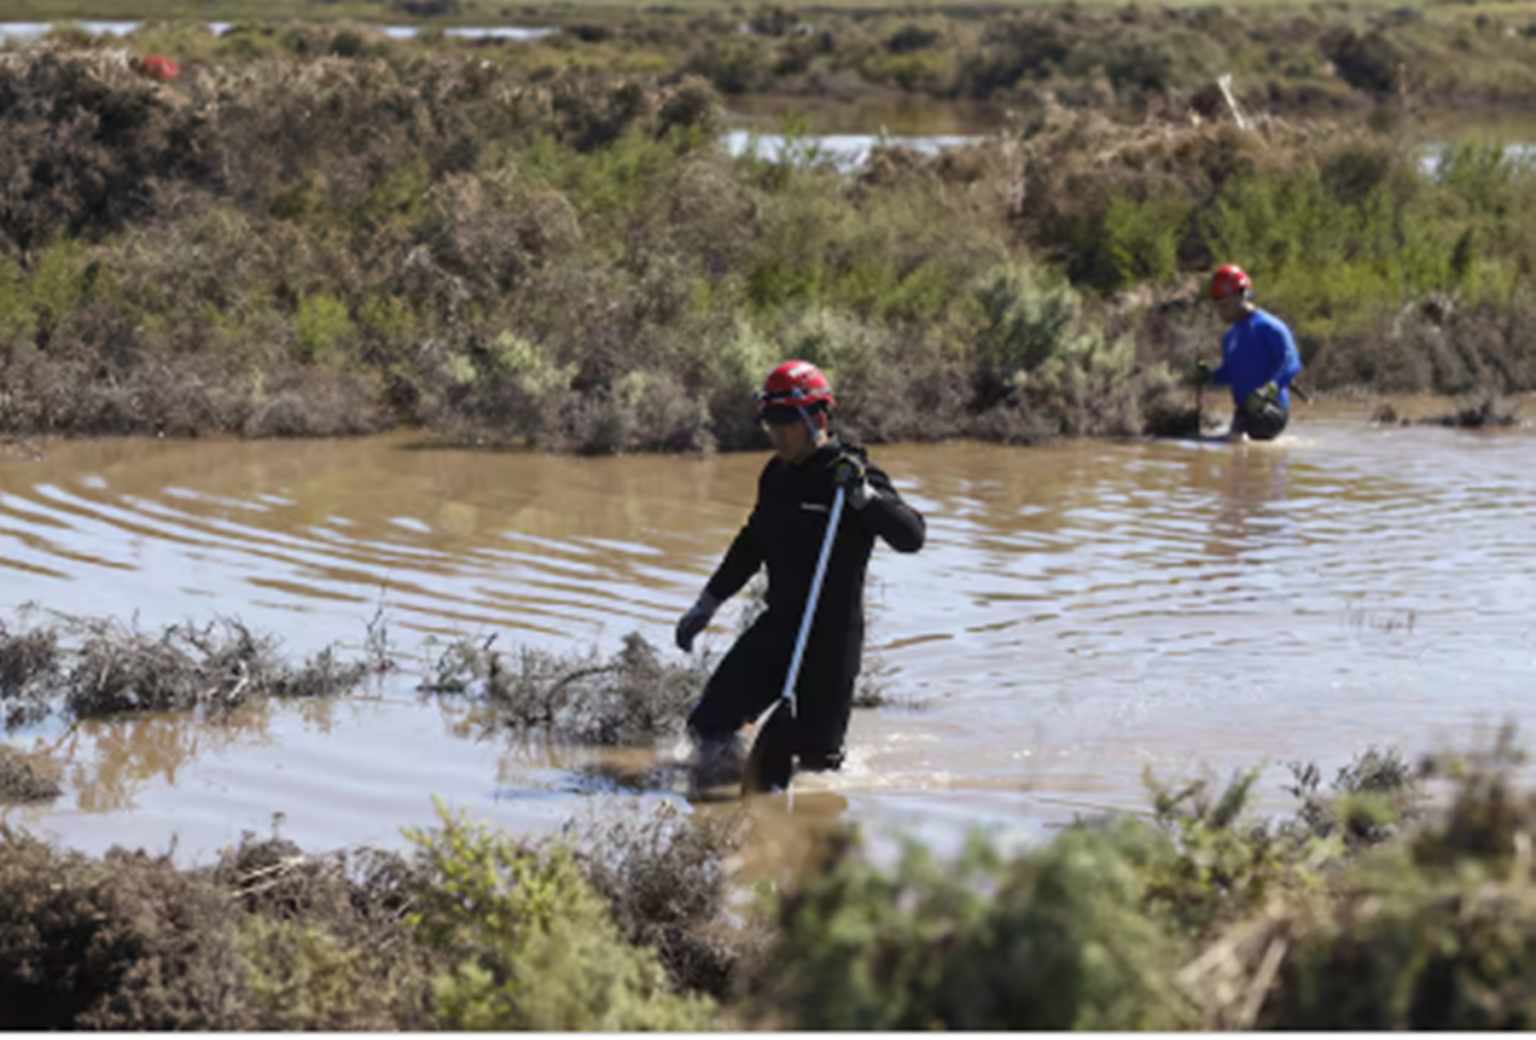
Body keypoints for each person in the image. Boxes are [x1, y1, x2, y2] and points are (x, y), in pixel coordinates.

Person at [674, 360, 926, 793]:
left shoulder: (851, 475)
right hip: (778, 629)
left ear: (819, 419)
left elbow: (912, 536)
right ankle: (722, 800)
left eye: (787, 423)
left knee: (817, 772)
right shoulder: (777, 475)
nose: (777, 434)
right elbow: (751, 544)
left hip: (830, 643)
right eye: (771, 423)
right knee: (707, 729)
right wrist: (708, 603)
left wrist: (865, 499)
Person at [1195, 264, 1303, 442]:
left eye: (1225, 306)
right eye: (1218, 307)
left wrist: (1268, 391)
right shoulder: (1230, 336)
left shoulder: (1269, 327)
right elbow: (1231, 373)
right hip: (1243, 412)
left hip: (1270, 410)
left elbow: (1291, 364)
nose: (1220, 312)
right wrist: (1210, 377)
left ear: (1241, 296)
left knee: (1239, 444)